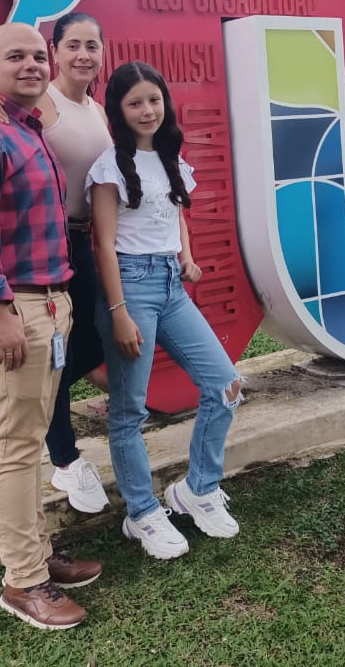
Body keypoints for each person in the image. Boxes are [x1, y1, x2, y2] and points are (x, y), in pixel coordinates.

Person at [0, 21, 102, 631]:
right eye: (17, 56)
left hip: (46, 301)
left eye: (39, 55)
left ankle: (33, 554)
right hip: (12, 306)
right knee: (14, 446)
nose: (32, 65)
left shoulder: (25, 127)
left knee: (29, 440)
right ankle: (23, 582)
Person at [0, 12, 113, 515]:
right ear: (58, 52)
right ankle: (64, 457)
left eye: (93, 45)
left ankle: (50, 419)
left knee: (82, 345)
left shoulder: (98, 109)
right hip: (44, 248)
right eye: (72, 46)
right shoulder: (36, 103)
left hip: (82, 245)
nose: (83, 55)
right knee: (56, 358)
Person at [88, 61, 244, 560]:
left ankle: (196, 490)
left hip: (171, 285)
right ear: (118, 110)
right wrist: (118, 310)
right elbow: (104, 245)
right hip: (129, 286)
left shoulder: (172, 156)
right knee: (130, 409)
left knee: (226, 385)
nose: (146, 110)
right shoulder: (110, 166)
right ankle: (142, 513)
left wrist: (188, 255)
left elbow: (175, 211)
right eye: (134, 102)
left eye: (153, 99)